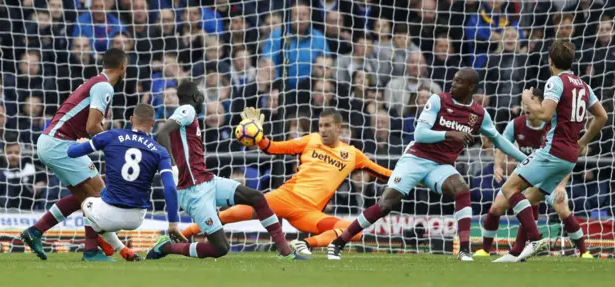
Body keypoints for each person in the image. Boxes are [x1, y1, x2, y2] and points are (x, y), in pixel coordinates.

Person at [326, 67, 528, 262]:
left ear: (471, 87)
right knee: (385, 205)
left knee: (462, 189)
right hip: (416, 158)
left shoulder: (479, 114)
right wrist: (450, 133)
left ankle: (464, 249)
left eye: (459, 81)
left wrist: (524, 159)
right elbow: (419, 134)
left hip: (440, 166)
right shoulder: (438, 100)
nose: (453, 83)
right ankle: (339, 242)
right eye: (454, 79)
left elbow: (499, 140)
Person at [180, 108, 392, 254]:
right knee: (231, 215)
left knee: (354, 232)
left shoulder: (353, 154)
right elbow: (273, 147)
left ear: (339, 127)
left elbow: (383, 173)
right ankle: (182, 233)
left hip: (308, 213)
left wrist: (410, 177)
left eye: (328, 126)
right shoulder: (311, 140)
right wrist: (259, 137)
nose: (323, 130)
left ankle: (304, 244)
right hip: (286, 197)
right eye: (320, 125)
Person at [146, 81, 305, 260]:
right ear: (197, 97)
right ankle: (167, 247)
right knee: (221, 248)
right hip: (193, 191)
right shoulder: (187, 110)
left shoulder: (190, 119)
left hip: (208, 181)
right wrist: (173, 167)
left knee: (256, 197)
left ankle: (286, 251)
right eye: (200, 95)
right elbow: (162, 134)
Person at [497, 39, 607, 262]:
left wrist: (527, 100)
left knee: (510, 189)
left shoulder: (555, 81)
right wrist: (583, 141)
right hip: (570, 157)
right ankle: (516, 252)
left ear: (550, 61)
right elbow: (602, 116)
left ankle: (536, 239)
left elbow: (544, 114)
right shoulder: (584, 86)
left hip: (552, 151)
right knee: (530, 198)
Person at [20, 48, 128, 262]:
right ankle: (90, 250)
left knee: (84, 197)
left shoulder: (95, 82)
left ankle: (35, 232)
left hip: (53, 142)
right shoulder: (104, 86)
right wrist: (117, 143)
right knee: (99, 195)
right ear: (123, 67)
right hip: (60, 143)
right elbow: (92, 127)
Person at [473, 89, 592, 261]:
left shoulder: (554, 124)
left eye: (530, 102)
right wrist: (497, 166)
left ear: (541, 104)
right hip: (527, 174)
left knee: (562, 208)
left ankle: (584, 252)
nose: (526, 107)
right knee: (496, 207)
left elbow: (566, 158)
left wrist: (561, 185)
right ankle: (485, 249)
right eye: (524, 103)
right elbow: (501, 143)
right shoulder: (516, 124)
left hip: (549, 177)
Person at [66, 104, 183, 262]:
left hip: (108, 213)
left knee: (87, 203)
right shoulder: (160, 151)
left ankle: (113, 244)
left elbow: (71, 153)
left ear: (131, 120)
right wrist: (173, 223)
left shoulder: (111, 136)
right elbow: (170, 187)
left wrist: (80, 143)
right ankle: (124, 251)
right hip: (136, 218)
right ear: (153, 123)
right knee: (101, 205)